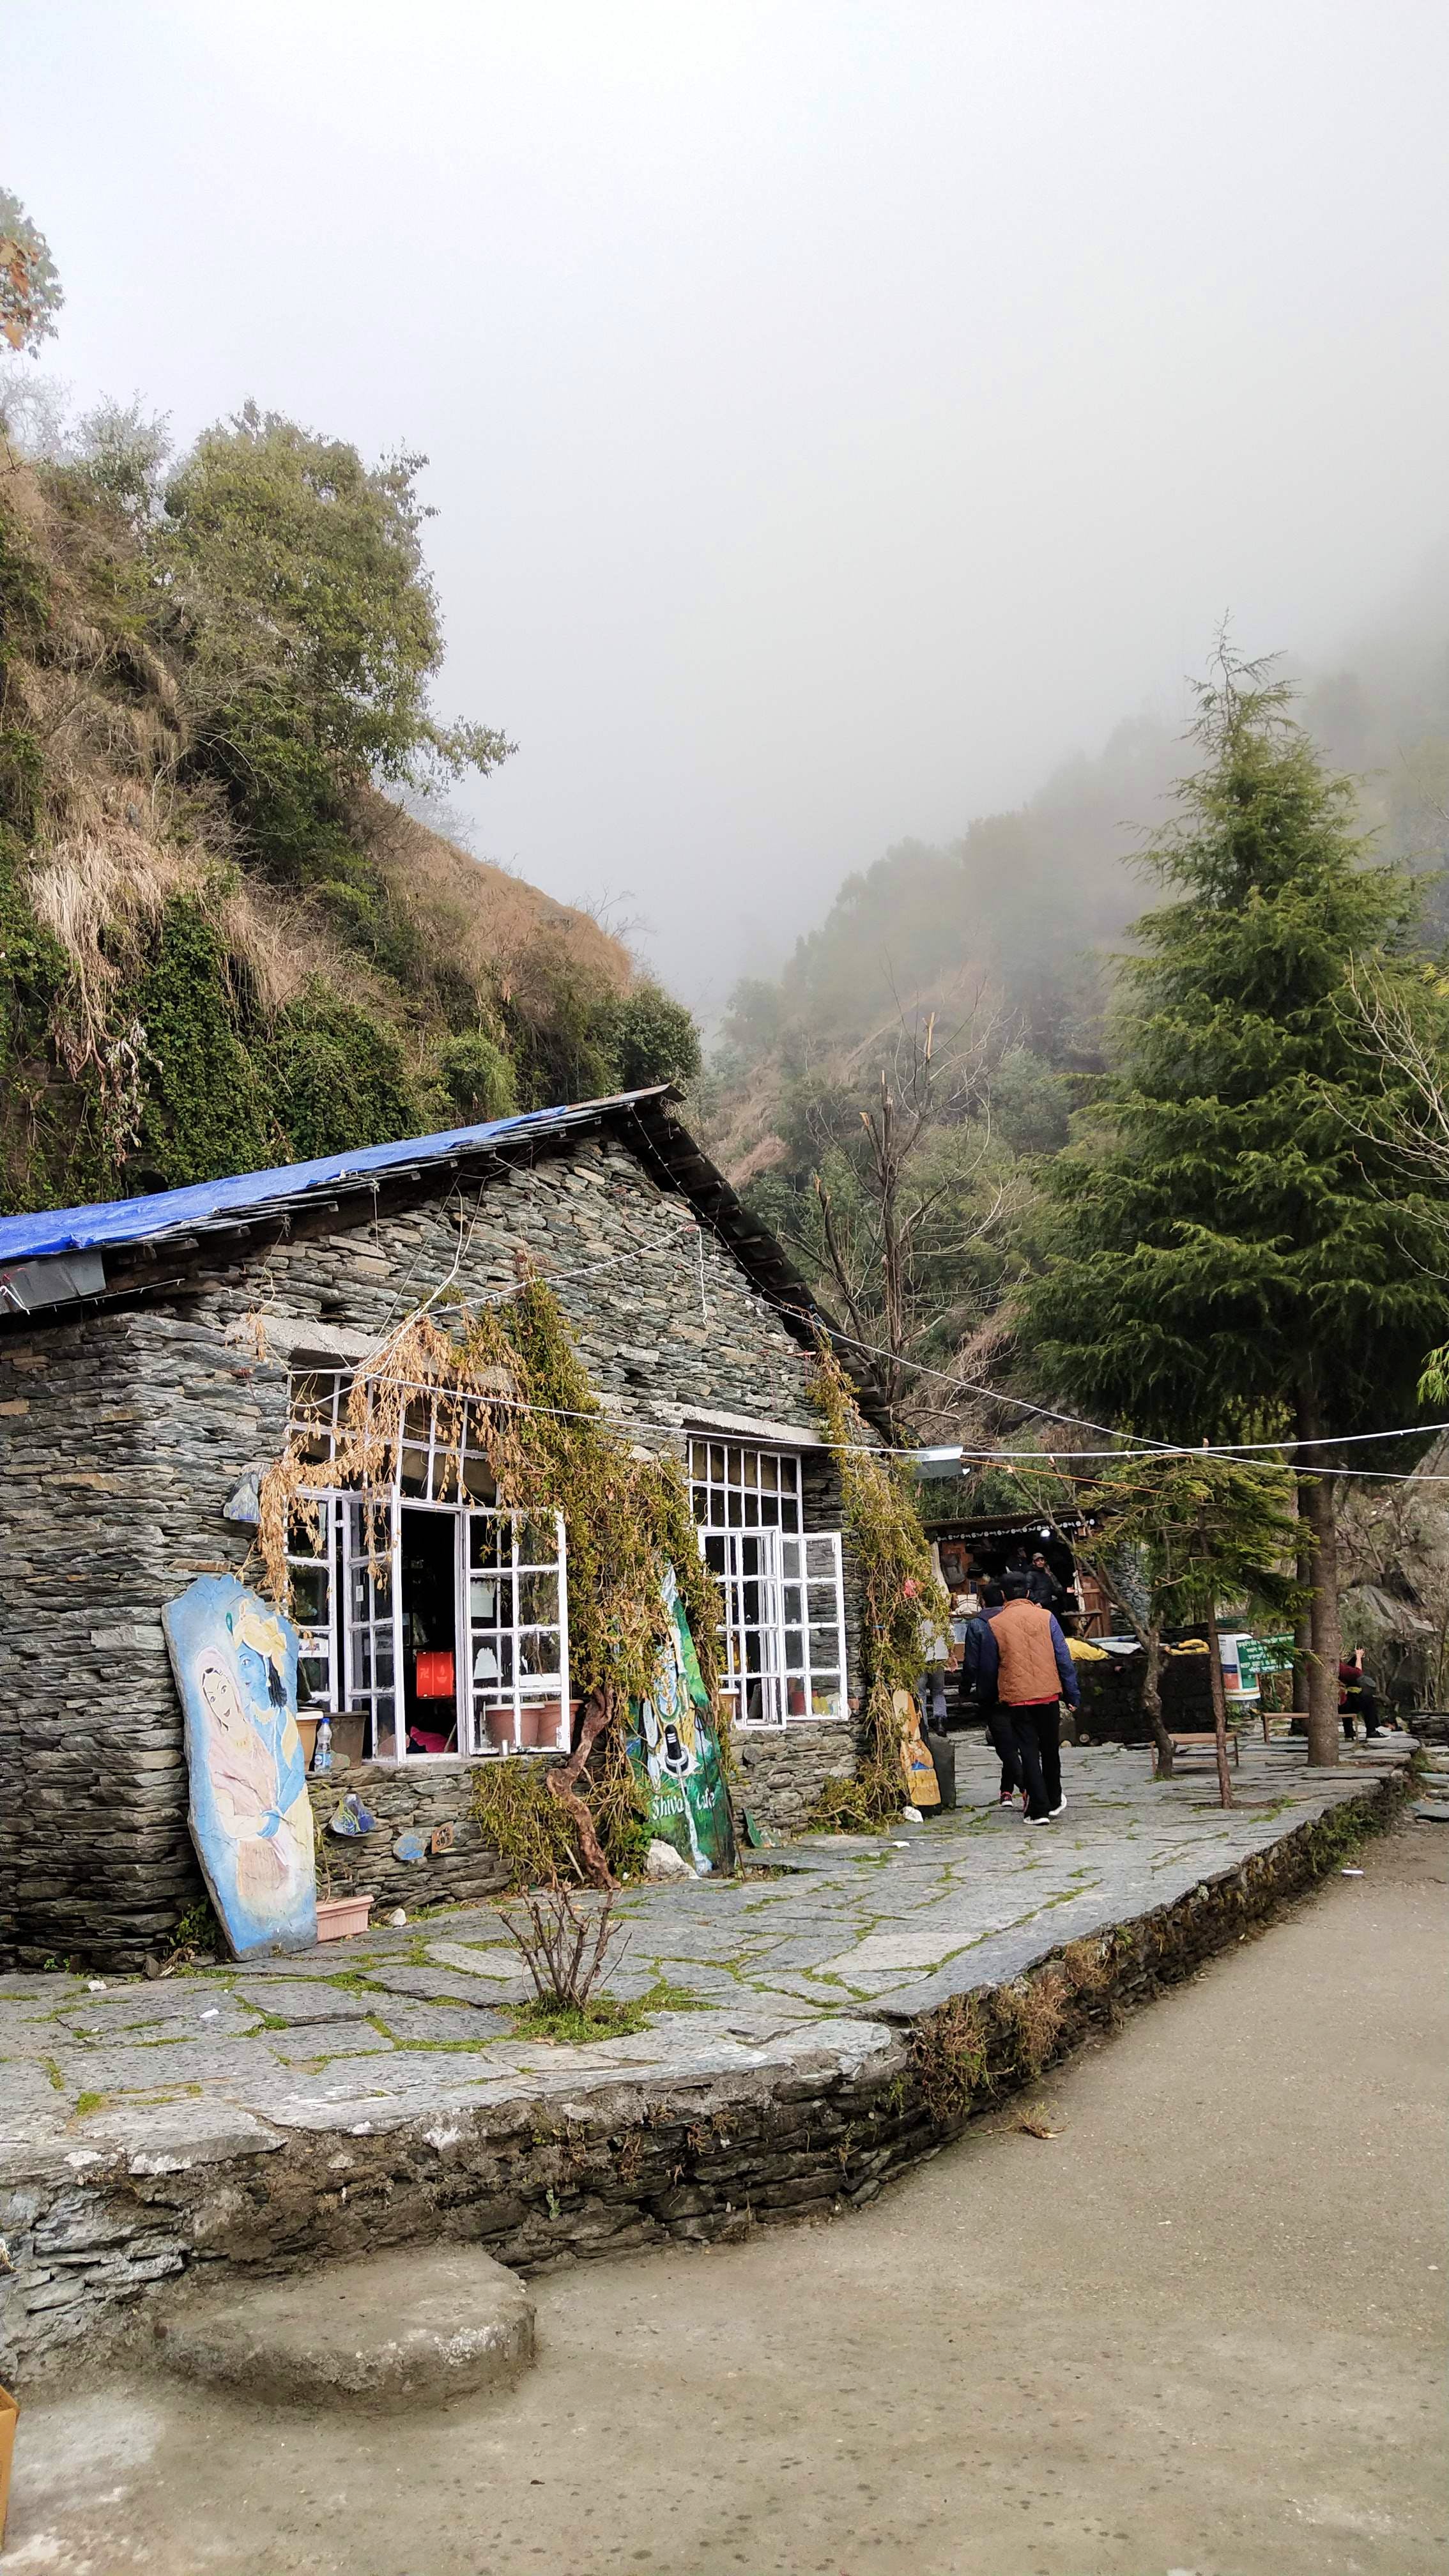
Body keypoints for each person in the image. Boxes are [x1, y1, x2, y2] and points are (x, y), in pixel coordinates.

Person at [976, 1573, 1080, 1822]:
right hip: (1048, 1694)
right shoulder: (1047, 1617)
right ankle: (1055, 1799)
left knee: (1029, 1751)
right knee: (1050, 1748)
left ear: (1003, 1595)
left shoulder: (996, 1624)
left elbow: (989, 1667)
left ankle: (1039, 1808)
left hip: (1018, 1698)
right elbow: (1063, 1658)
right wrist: (1072, 1693)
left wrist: (988, 1700)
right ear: (1028, 1593)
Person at [960, 1581, 1023, 1804]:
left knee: (1003, 1742)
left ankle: (1022, 1788)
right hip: (1018, 1686)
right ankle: (1007, 1790)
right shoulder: (1013, 1620)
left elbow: (972, 1662)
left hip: (992, 1689)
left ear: (983, 1601)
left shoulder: (978, 1625)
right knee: (1015, 1739)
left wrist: (966, 1687)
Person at [1338, 1650, 1383, 1740]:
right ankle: (1371, 1732)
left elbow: (1348, 1671)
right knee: (1367, 1699)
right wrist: (1358, 1657)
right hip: (1339, 1705)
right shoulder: (1335, 1666)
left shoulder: (1315, 1664)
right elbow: (1358, 1673)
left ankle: (1349, 1732)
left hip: (1334, 1703)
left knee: (1349, 1697)